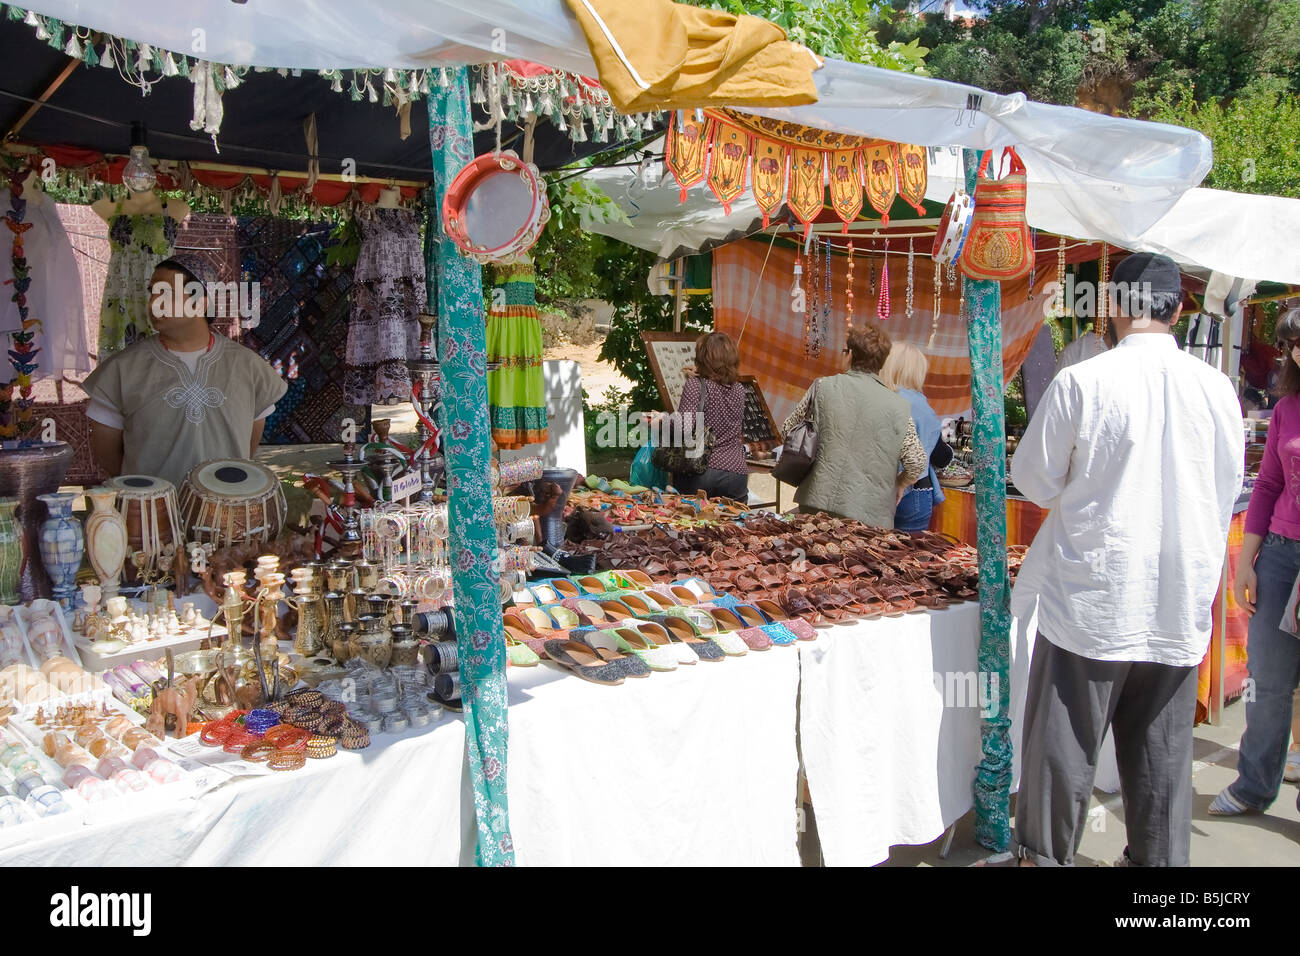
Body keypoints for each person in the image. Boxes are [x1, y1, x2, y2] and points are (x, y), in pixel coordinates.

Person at [1005, 252, 1243, 867]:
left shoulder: (1085, 381)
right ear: (1179, 309)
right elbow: (1226, 483)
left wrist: (1085, 488)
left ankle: (1045, 859)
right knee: (1162, 756)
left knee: (1063, 746)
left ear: (1112, 306)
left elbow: (1032, 479)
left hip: (1094, 594)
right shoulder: (1218, 389)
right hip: (1177, 595)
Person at [85, 255, 287, 490]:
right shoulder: (121, 370)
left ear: (201, 302)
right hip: (150, 517)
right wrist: (150, 493)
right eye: (152, 293)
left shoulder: (249, 368)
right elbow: (107, 452)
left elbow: (248, 443)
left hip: (228, 517)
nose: (153, 304)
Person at [1210, 307, 1300, 815]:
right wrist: (1247, 562)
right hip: (1281, 558)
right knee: (1268, 681)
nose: (1298, 351)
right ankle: (1254, 786)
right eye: (1293, 344)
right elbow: (1266, 484)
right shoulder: (1287, 406)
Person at [781, 321, 926, 528]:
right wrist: (900, 484)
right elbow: (917, 461)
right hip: (872, 515)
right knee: (857, 561)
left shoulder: (822, 387)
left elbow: (788, 431)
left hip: (817, 504)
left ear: (849, 354)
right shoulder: (899, 406)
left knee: (813, 558)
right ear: (882, 362)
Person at [879, 341, 950, 532]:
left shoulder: (875, 399)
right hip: (914, 492)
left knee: (866, 552)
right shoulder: (922, 407)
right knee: (909, 556)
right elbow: (940, 456)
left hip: (874, 488)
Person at [670, 331, 749, 501]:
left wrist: (663, 420)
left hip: (701, 469)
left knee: (691, 525)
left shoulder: (695, 386)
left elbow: (683, 427)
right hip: (736, 472)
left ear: (702, 357)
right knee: (733, 526)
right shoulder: (739, 390)